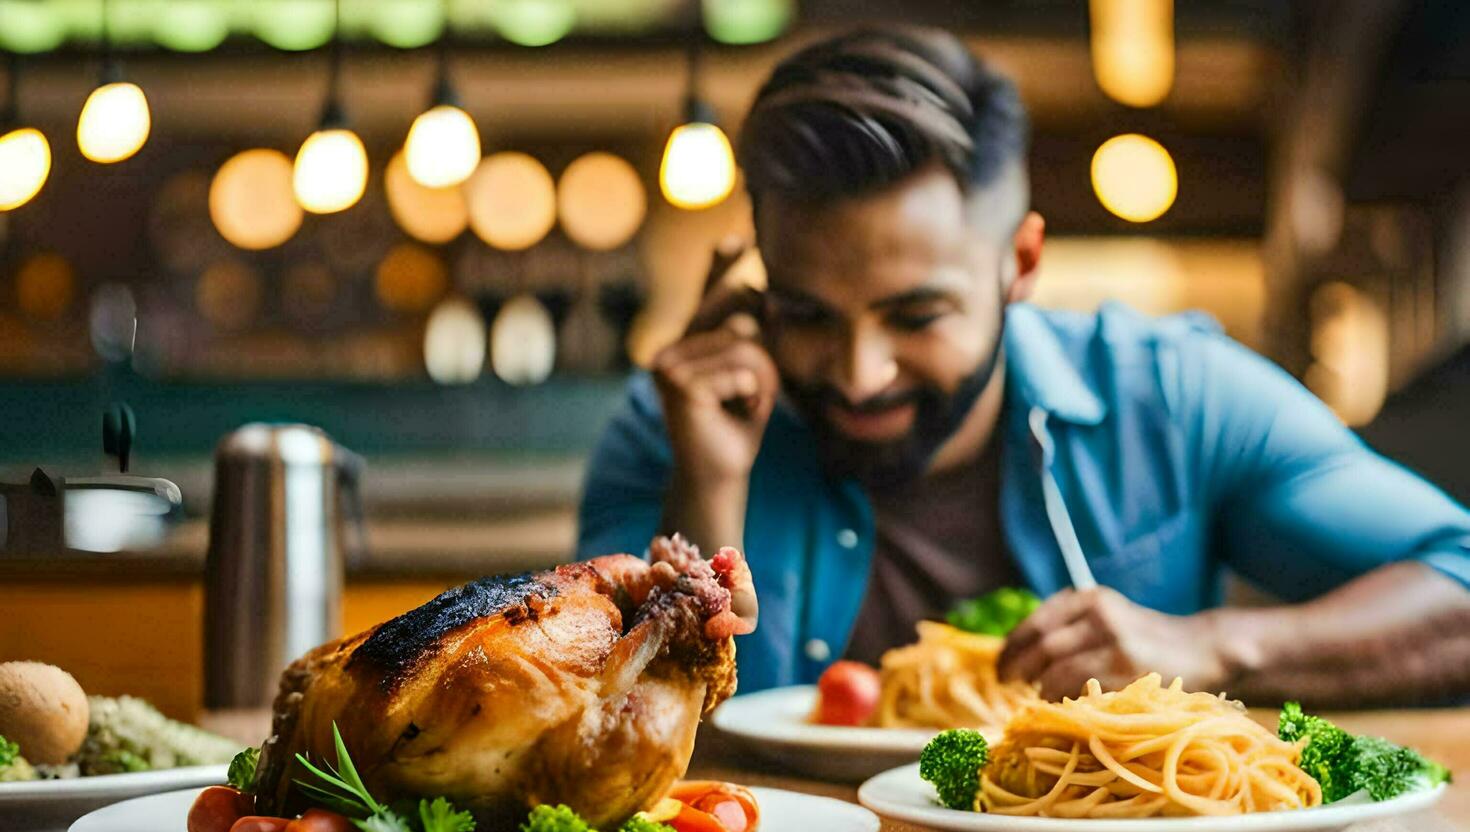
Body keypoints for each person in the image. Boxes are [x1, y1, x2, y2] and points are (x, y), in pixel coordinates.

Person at [578, 26, 1470, 706]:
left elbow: (1458, 577)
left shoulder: (1172, 393)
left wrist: (1215, 646)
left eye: (917, 314)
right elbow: (600, 737)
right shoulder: (672, 423)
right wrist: (707, 485)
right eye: (807, 314)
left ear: (1023, 263)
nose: (858, 373)